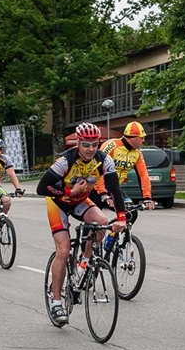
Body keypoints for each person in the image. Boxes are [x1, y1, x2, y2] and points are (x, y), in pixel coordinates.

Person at [36, 122, 128, 325]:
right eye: (86, 145)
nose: (91, 149)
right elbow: (42, 188)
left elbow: (115, 190)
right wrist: (70, 192)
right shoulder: (64, 161)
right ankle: (57, 301)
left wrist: (121, 218)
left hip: (80, 202)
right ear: (78, 143)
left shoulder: (104, 160)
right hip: (58, 203)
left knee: (102, 222)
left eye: (95, 144)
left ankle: (83, 265)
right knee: (63, 250)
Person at [91, 121, 155, 216]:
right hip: (95, 188)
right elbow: (97, 168)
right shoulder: (112, 145)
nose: (143, 140)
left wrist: (147, 197)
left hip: (114, 189)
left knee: (130, 214)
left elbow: (143, 175)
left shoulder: (137, 153)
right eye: (142, 138)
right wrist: (102, 193)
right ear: (133, 138)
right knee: (96, 220)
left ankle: (116, 230)